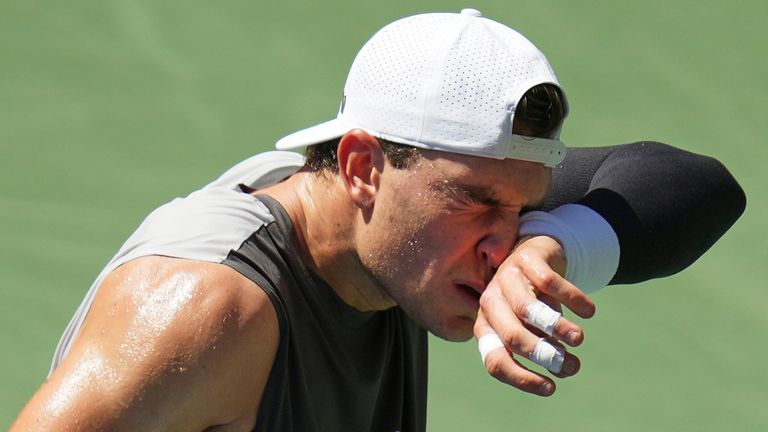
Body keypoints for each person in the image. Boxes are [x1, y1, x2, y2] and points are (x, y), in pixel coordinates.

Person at [12, 9, 744, 431]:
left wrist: (556, 243)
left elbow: (698, 186)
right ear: (363, 167)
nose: (501, 244)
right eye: (478, 202)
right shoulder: (207, 309)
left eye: (522, 206)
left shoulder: (411, 214)